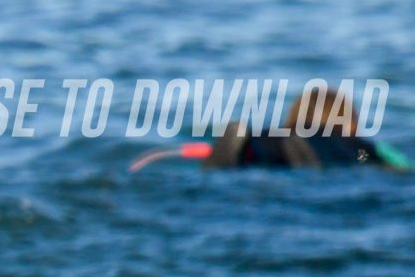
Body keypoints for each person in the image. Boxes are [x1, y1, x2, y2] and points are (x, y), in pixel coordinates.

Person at [136, 88, 412, 172]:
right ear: (349, 123)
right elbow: (399, 166)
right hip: (310, 152)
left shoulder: (284, 130)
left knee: (260, 152)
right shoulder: (355, 145)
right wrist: (368, 156)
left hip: (266, 140)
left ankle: (244, 149)